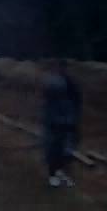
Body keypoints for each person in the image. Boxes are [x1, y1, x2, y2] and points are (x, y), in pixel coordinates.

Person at [42, 59, 82, 188]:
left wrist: (74, 121)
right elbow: (48, 103)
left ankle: (62, 174)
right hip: (54, 122)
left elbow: (77, 103)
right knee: (53, 150)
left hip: (68, 122)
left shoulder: (71, 83)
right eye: (60, 67)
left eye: (64, 67)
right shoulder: (53, 83)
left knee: (67, 151)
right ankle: (53, 175)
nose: (62, 70)